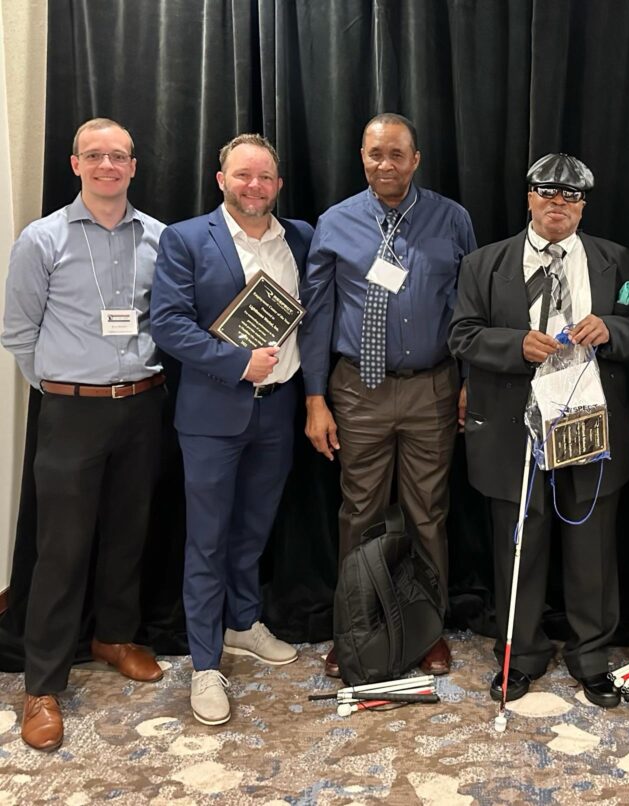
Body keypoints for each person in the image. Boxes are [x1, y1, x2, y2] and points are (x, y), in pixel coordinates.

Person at [449, 153, 629, 707]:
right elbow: (462, 334)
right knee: (519, 542)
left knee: (592, 545)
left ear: (583, 205)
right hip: (513, 428)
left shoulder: (618, 261)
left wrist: (612, 330)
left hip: (588, 423)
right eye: (547, 192)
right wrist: (514, 344)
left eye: (571, 195)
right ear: (529, 197)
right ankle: (520, 654)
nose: (558, 203)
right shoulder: (484, 264)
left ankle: (592, 655)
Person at [2, 118, 166, 751]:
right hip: (72, 411)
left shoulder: (158, 238)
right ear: (75, 165)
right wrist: (61, 387)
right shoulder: (42, 239)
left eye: (118, 156)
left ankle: (114, 637)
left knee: (129, 531)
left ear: (133, 166)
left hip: (142, 406)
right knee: (62, 549)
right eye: (94, 155)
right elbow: (19, 330)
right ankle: (42, 684)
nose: (107, 166)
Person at [301, 113, 476, 679]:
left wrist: (469, 382)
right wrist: (315, 398)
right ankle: (355, 630)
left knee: (428, 514)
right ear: (362, 156)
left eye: (397, 154)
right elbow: (317, 315)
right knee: (360, 513)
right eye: (376, 153)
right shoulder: (335, 222)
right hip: (359, 390)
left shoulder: (452, 219)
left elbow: (469, 308)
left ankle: (426, 630)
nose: (386, 164)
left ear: (415, 159)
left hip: (432, 387)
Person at [151, 133, 314, 726]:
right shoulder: (187, 238)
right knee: (208, 539)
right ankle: (204, 663)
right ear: (221, 179)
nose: (254, 186)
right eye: (243, 175)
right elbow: (168, 323)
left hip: (278, 410)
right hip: (213, 415)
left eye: (265, 176)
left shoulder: (300, 237)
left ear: (278, 184)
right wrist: (236, 361)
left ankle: (243, 623)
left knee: (253, 529)